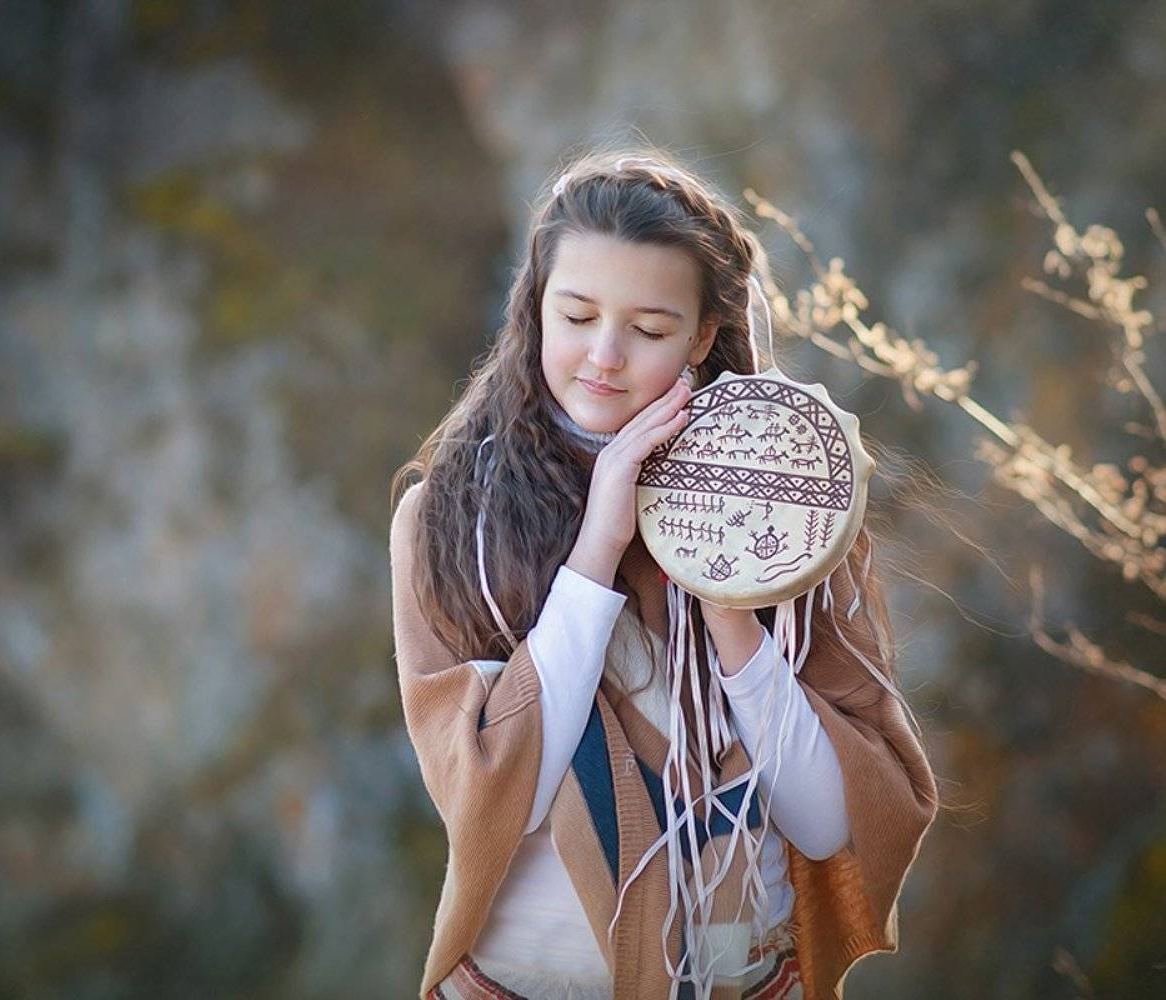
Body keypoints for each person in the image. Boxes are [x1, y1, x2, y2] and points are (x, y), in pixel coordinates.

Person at [388, 145, 940, 1000]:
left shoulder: (789, 511)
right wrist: (597, 548)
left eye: (648, 331)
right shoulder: (455, 518)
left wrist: (731, 599)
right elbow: (494, 803)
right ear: (534, 309)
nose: (604, 356)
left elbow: (832, 824)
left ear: (702, 336)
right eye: (576, 316)